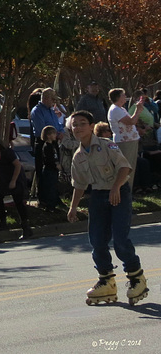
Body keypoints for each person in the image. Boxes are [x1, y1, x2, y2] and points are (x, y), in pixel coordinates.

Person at [67, 110, 149, 306]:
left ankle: (137, 278)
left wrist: (116, 188)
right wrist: (72, 208)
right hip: (97, 196)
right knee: (97, 241)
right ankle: (106, 280)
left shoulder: (106, 145)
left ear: (91, 126)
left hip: (119, 192)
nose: (78, 127)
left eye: (82, 123)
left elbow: (124, 167)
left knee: (120, 239)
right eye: (74, 124)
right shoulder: (78, 156)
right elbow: (79, 184)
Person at [0, 134, 32, 239]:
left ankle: (26, 227)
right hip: (2, 180)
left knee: (19, 202)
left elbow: (18, 165)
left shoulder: (7, 153)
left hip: (14, 178)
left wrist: (13, 181)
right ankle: (3, 222)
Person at [30, 88, 64, 204]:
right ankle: (44, 199)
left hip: (54, 141)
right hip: (43, 143)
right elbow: (41, 130)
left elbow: (57, 123)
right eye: (52, 99)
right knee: (44, 172)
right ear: (45, 98)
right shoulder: (37, 111)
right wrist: (52, 134)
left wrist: (60, 131)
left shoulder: (51, 110)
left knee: (54, 171)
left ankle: (54, 197)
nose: (54, 102)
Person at [107, 88, 143, 191]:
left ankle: (127, 191)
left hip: (130, 140)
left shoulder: (121, 109)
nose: (125, 96)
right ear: (118, 97)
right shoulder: (115, 109)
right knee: (126, 168)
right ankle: (123, 192)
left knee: (130, 166)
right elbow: (131, 121)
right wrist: (138, 110)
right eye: (123, 95)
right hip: (124, 142)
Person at [40, 126, 64, 212]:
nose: (55, 135)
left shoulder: (53, 145)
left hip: (54, 170)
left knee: (54, 187)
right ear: (48, 135)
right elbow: (48, 159)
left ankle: (54, 204)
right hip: (49, 170)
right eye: (53, 133)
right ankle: (50, 206)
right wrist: (55, 165)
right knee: (50, 188)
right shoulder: (47, 146)